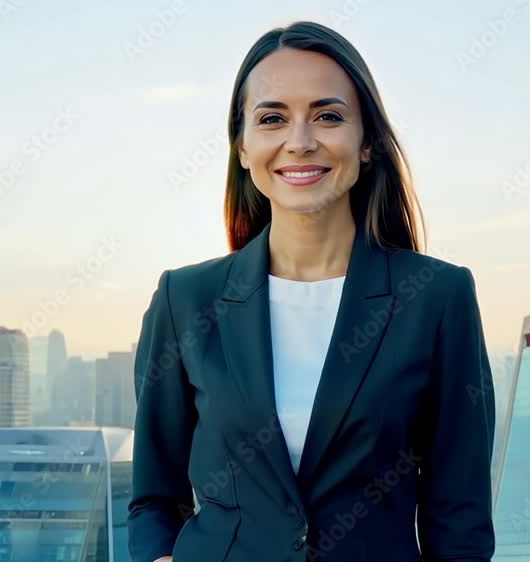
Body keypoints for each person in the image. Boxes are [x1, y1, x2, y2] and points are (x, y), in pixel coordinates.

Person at [128, 20, 495, 562]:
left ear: (367, 141)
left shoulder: (437, 296)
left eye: (328, 116)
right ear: (244, 146)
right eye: (272, 118)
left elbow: (459, 520)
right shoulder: (185, 299)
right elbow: (154, 499)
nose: (300, 142)